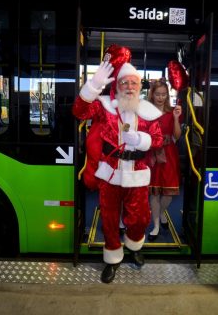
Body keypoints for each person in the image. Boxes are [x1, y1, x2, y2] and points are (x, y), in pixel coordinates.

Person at [72, 44, 163, 283]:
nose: (130, 87)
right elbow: (79, 111)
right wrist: (93, 85)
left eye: (134, 83)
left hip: (138, 174)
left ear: (139, 86)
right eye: (125, 83)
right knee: (110, 220)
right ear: (117, 85)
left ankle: (134, 246)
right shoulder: (103, 106)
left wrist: (143, 140)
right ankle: (112, 258)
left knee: (141, 218)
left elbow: (159, 139)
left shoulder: (147, 110)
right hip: (110, 174)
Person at [147, 79, 182, 241]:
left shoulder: (172, 111)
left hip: (169, 154)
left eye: (163, 94)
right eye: (157, 94)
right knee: (153, 192)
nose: (160, 97)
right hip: (152, 153)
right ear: (152, 94)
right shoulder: (145, 112)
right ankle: (155, 224)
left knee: (168, 192)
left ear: (167, 95)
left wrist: (176, 118)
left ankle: (161, 213)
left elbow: (177, 136)